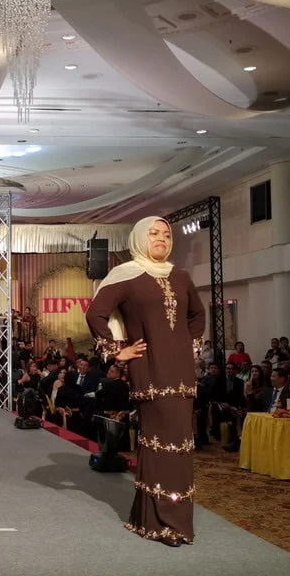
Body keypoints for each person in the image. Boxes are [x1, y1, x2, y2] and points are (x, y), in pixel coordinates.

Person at [86, 216, 205, 547]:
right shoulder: (127, 275)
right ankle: (162, 522)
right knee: (160, 444)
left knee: (180, 445)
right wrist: (116, 351)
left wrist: (189, 346)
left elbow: (197, 315)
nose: (161, 239)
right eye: (154, 233)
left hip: (181, 373)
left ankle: (166, 521)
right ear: (139, 238)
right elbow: (95, 313)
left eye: (166, 234)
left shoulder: (180, 277)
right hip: (150, 371)